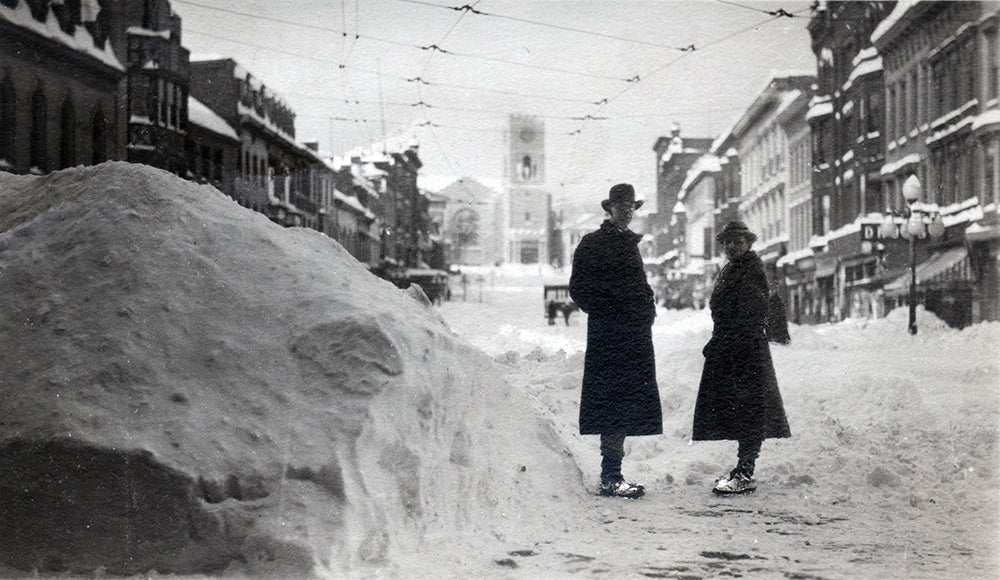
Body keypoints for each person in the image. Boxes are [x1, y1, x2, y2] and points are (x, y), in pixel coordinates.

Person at [569, 183, 662, 499]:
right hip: (609, 337)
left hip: (633, 335)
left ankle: (613, 474)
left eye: (631, 206)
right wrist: (615, 308)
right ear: (609, 208)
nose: (627, 211)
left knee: (624, 404)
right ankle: (610, 476)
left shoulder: (628, 243)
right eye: (621, 205)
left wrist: (647, 307)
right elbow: (579, 290)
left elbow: (637, 285)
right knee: (612, 404)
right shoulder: (593, 243)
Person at [692, 220, 790, 495]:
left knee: (751, 411)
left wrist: (729, 338)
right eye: (727, 242)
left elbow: (752, 311)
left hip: (745, 350)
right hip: (733, 347)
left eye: (737, 242)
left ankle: (745, 472)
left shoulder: (751, 270)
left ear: (748, 243)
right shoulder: (734, 268)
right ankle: (743, 468)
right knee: (742, 410)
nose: (731, 246)